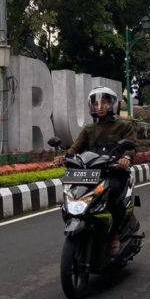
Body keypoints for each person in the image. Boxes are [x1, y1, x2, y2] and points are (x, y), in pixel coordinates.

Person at [54, 87, 136, 256]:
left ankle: (115, 235)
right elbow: (75, 148)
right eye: (95, 103)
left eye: (103, 103)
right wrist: (64, 157)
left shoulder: (124, 125)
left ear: (112, 104)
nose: (99, 107)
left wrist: (126, 158)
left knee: (113, 195)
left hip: (114, 173)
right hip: (91, 173)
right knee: (74, 193)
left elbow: (131, 147)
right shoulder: (89, 129)